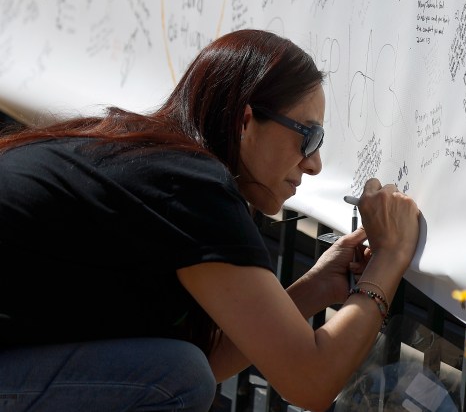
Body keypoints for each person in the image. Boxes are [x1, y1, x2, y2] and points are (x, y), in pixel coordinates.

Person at [0, 29, 421, 411]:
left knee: (180, 369)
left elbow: (209, 354)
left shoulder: (158, 160)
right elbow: (310, 383)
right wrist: (390, 256)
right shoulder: (190, 185)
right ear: (245, 120)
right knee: (178, 379)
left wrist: (314, 288)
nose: (314, 163)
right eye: (307, 136)